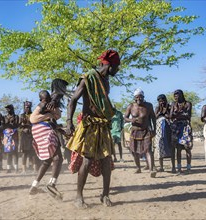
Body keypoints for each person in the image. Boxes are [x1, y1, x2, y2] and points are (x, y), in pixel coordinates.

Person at [66, 49, 120, 208]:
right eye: (117, 66)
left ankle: (105, 195)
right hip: (89, 124)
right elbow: (73, 100)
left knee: (106, 160)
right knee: (87, 160)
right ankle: (79, 197)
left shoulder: (106, 82)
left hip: (103, 125)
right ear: (109, 65)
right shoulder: (88, 78)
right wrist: (69, 122)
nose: (117, 70)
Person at [29, 90, 63, 200]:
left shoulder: (48, 105)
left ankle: (35, 185)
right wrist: (49, 114)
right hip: (44, 130)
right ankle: (52, 184)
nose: (46, 99)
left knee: (48, 160)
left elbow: (56, 117)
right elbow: (32, 119)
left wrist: (53, 109)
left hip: (39, 131)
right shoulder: (43, 105)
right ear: (41, 99)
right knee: (58, 158)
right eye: (45, 98)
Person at [124, 89, 157, 177]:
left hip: (146, 131)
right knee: (134, 151)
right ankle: (138, 167)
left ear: (143, 97)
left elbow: (153, 118)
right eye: (137, 97)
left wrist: (154, 129)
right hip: (134, 131)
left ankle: (151, 170)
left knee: (148, 150)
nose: (139, 99)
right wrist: (131, 120)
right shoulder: (130, 106)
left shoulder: (149, 106)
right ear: (134, 98)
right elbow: (125, 118)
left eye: (141, 97)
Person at [169, 89, 193, 174]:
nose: (176, 97)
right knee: (178, 148)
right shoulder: (173, 104)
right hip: (176, 128)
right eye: (174, 95)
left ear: (181, 95)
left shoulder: (188, 104)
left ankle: (188, 167)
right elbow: (171, 115)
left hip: (185, 127)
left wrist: (178, 114)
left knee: (187, 147)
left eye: (177, 95)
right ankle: (179, 167)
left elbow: (188, 115)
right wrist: (181, 114)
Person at [154, 94, 172, 172]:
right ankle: (161, 167)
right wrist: (160, 112)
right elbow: (155, 116)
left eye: (163, 100)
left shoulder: (170, 107)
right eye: (160, 101)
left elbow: (170, 116)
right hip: (158, 129)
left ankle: (173, 166)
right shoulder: (157, 108)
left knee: (170, 145)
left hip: (168, 128)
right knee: (159, 146)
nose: (162, 102)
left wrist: (166, 113)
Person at [19, 101, 38, 174]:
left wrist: (29, 125)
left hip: (32, 135)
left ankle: (35, 169)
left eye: (28, 107)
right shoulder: (22, 115)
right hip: (24, 135)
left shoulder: (33, 115)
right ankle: (24, 170)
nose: (27, 108)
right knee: (24, 153)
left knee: (33, 153)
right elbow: (19, 126)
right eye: (26, 107)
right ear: (24, 107)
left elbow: (35, 124)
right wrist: (23, 125)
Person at [1, 104, 19, 173]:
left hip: (14, 135)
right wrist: (3, 123)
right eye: (7, 109)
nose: (7, 110)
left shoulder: (16, 117)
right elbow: (3, 127)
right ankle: (8, 168)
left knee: (15, 152)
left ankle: (16, 168)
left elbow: (17, 125)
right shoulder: (4, 117)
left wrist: (12, 124)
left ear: (12, 109)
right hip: (6, 136)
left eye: (9, 108)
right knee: (8, 152)